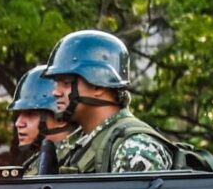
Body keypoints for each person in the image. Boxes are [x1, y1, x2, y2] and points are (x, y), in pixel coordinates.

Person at [38, 30, 178, 174]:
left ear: (97, 85)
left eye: (66, 83)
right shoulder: (80, 144)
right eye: (57, 83)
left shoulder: (133, 148)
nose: (56, 92)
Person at [12, 67, 71, 171]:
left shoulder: (75, 162)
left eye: (30, 114)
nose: (18, 123)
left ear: (60, 118)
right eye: (20, 114)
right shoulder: (37, 163)